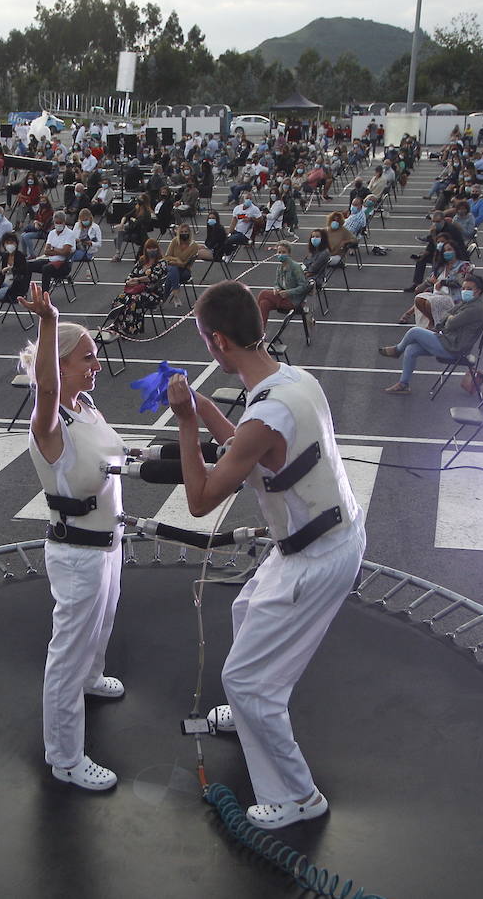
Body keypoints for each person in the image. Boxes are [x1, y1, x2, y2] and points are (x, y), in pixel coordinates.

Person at [163, 280, 365, 829]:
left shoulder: (262, 415)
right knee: (244, 611)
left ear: (219, 343)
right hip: (325, 537)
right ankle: (251, 715)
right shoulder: (293, 381)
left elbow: (202, 500)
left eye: (206, 337)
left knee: (247, 681)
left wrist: (185, 421)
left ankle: (299, 796)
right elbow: (255, 450)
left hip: (314, 556)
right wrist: (205, 409)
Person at [16, 284, 127, 792]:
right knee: (67, 653)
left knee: (101, 626)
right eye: (88, 358)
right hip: (77, 551)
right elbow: (46, 391)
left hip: (108, 543)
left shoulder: (86, 407)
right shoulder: (50, 420)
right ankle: (64, 757)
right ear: (59, 366)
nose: (97, 366)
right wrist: (48, 321)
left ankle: (92, 677)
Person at [380, 273, 483, 394]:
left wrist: (449, 319)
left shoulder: (475, 309)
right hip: (448, 340)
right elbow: (446, 315)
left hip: (454, 348)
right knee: (411, 349)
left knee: (415, 331)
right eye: (463, 288)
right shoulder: (469, 303)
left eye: (469, 289)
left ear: (478, 291)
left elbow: (450, 323)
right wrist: (449, 319)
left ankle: (397, 350)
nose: (464, 291)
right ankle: (403, 384)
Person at [102, 239, 167, 336]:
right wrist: (129, 281)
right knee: (120, 299)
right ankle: (117, 324)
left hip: (152, 293)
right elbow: (132, 274)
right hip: (135, 290)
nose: (152, 250)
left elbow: (154, 277)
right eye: (149, 248)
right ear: (145, 249)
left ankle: (130, 328)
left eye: (154, 248)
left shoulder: (161, 263)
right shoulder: (142, 260)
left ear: (158, 249)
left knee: (132, 300)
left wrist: (138, 280)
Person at [255, 242, 313, 329]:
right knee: (264, 304)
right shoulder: (280, 267)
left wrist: (288, 292)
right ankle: (260, 333)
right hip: (283, 298)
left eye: (283, 252)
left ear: (289, 254)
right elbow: (277, 283)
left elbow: (304, 287)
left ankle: (253, 321)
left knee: (263, 293)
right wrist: (276, 289)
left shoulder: (295, 267)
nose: (281, 255)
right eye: (279, 252)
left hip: (295, 301)